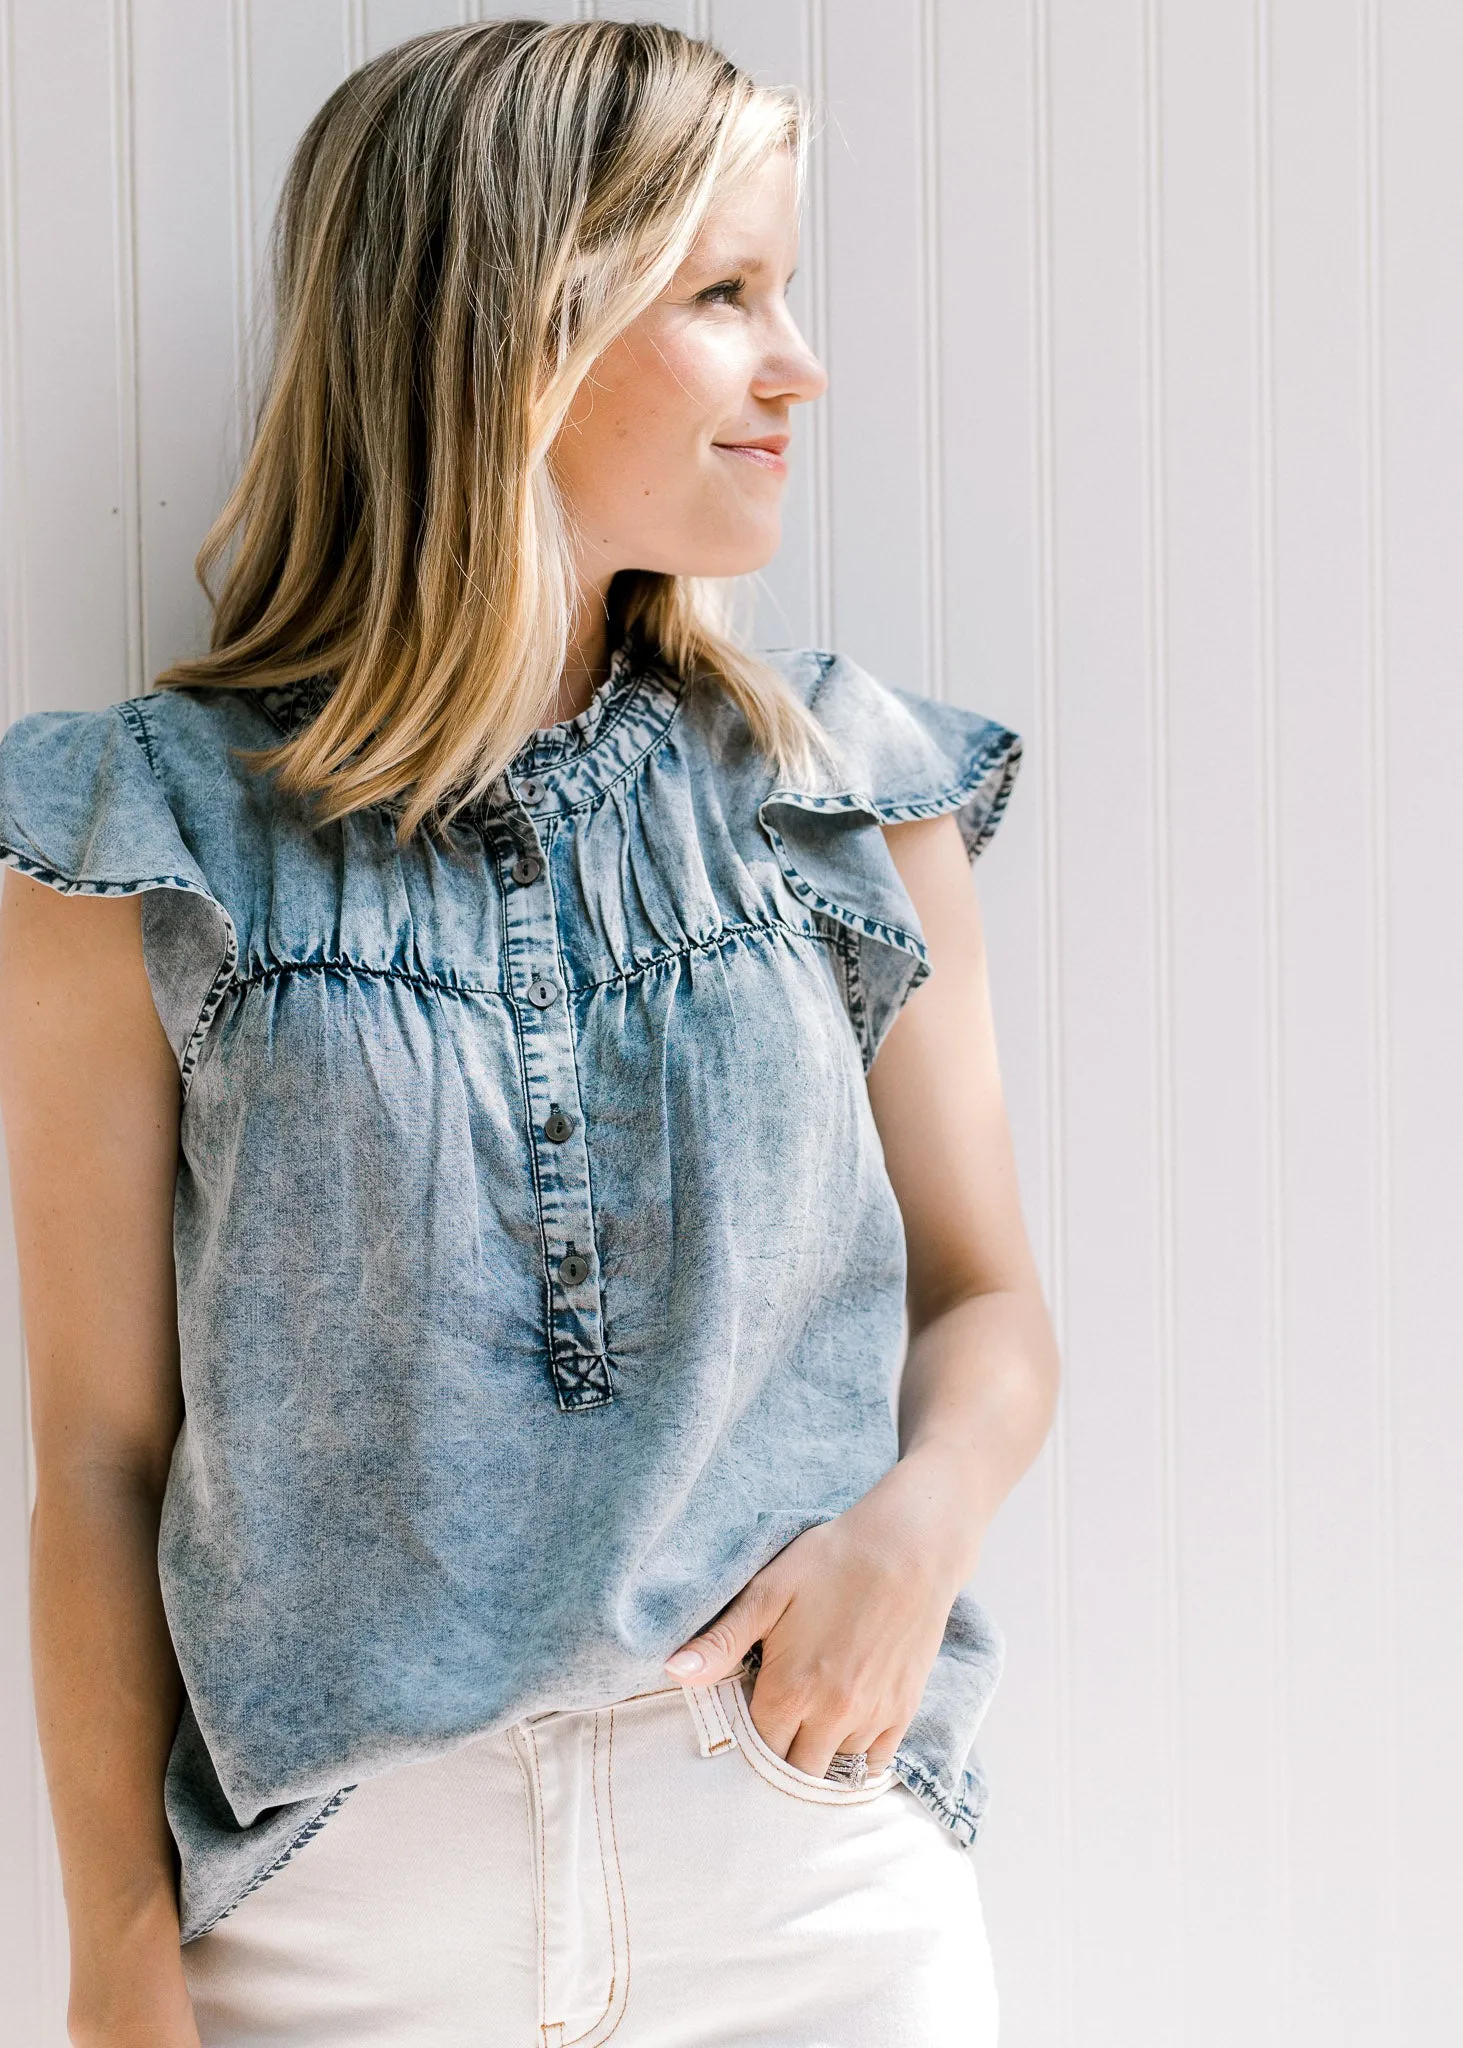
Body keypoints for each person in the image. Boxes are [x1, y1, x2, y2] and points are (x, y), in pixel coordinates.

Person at [0, 20, 1059, 2047]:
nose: (796, 365)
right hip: (330, 1927)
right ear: (510, 331)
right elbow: (94, 1455)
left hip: (804, 1874)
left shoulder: (852, 793)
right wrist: (115, 1953)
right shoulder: (138, 838)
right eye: (725, 294)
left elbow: (991, 1306)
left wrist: (905, 1540)